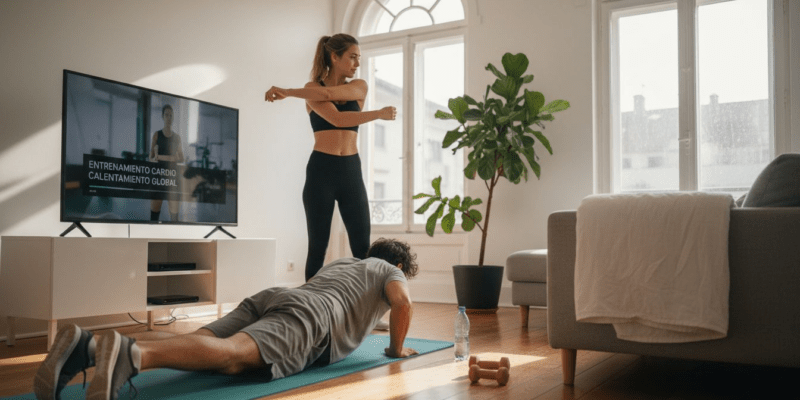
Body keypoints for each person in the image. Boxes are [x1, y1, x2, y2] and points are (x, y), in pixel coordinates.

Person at [33, 238, 419, 400]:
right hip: (313, 315)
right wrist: (394, 348)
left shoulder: (345, 261)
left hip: (278, 295)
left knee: (204, 346)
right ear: (398, 262)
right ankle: (131, 357)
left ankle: (86, 349)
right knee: (230, 355)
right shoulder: (390, 269)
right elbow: (402, 305)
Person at [265, 33, 397, 281]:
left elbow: (336, 100)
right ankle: (310, 311)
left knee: (363, 248)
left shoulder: (359, 86)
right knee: (317, 248)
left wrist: (289, 92)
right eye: (352, 57)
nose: (357, 64)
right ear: (335, 57)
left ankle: (365, 312)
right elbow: (337, 118)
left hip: (350, 170)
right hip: (321, 171)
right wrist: (378, 113)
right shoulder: (312, 89)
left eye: (359, 58)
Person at [149, 104, 185, 222]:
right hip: (158, 178)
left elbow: (181, 159)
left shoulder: (177, 138)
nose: (169, 118)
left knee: (174, 218)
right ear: (162, 116)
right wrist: (163, 158)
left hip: (172, 179)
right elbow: (151, 158)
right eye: (166, 115)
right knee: (154, 217)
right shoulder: (156, 135)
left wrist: (174, 158)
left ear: (173, 118)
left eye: (171, 115)